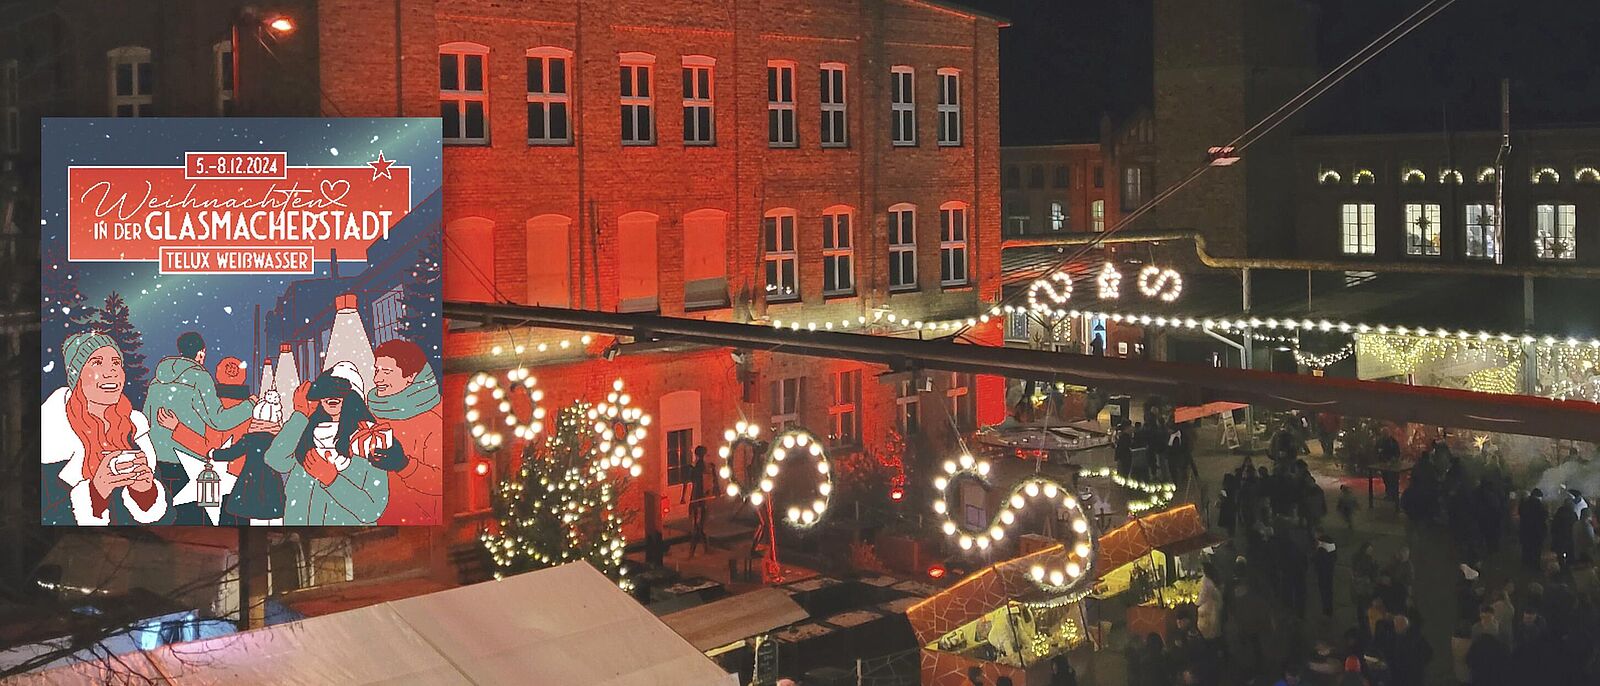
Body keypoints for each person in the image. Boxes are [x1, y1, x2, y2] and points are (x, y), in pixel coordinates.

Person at [41, 332, 168, 525]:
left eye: (116, 363)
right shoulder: (52, 436)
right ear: (77, 376)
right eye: (97, 363)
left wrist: (145, 493)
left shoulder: (135, 430)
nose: (111, 372)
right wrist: (97, 491)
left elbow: (167, 519)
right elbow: (45, 519)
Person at [144, 331, 257, 524]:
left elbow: (147, 422)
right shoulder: (199, 378)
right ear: (201, 353)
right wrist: (250, 405)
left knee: (170, 518)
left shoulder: (157, 381)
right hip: (189, 461)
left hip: (159, 463)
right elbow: (218, 420)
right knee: (194, 519)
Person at [264, 371, 394, 525]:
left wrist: (333, 481)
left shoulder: (369, 442)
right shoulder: (306, 436)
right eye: (326, 391)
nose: (331, 397)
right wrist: (300, 414)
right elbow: (275, 460)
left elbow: (372, 510)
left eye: (339, 391)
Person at [367, 339, 444, 525]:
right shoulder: (372, 411)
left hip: (416, 520)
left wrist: (403, 465)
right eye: (377, 370)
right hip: (375, 517)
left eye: (386, 372)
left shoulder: (433, 417)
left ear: (411, 377)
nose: (377, 379)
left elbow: (440, 482)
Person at [682, 445, 720, 557]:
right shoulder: (697, 468)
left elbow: (715, 482)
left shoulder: (706, 467)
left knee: (699, 526)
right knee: (698, 526)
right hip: (698, 498)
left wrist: (683, 497)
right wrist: (683, 497)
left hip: (700, 498)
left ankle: (696, 551)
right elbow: (715, 482)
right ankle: (700, 550)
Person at [1520, 489, 1548, 570]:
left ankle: (1525, 564)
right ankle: (1535, 566)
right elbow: (1544, 517)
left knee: (1526, 548)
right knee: (1536, 550)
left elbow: (1520, 513)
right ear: (1539, 496)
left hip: (1525, 530)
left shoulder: (1524, 503)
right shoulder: (1540, 505)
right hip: (1537, 531)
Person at [1314, 531, 1337, 618]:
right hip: (1329, 571)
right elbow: (1334, 556)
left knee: (1324, 591)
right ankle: (1329, 608)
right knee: (1329, 590)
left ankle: (1326, 609)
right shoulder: (1330, 543)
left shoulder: (1321, 545)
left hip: (1323, 572)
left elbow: (1318, 560)